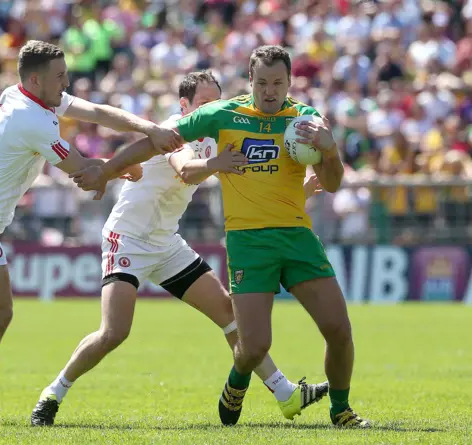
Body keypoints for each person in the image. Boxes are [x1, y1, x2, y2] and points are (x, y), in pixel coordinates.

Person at [75, 46, 370, 428]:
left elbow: (331, 184)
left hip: (297, 236)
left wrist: (330, 152)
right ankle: (237, 381)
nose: (269, 91)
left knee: (339, 328)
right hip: (248, 243)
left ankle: (342, 411)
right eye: (262, 82)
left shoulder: (305, 120)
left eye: (277, 83)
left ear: (290, 82)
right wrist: (108, 169)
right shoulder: (223, 114)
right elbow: (158, 141)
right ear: (250, 82)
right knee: (253, 347)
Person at [0, 39, 181, 425]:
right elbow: (83, 174)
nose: (66, 81)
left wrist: (148, 128)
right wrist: (117, 166)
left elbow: (97, 111)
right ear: (36, 80)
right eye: (59, 76)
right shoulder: (32, 119)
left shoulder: (25, 95)